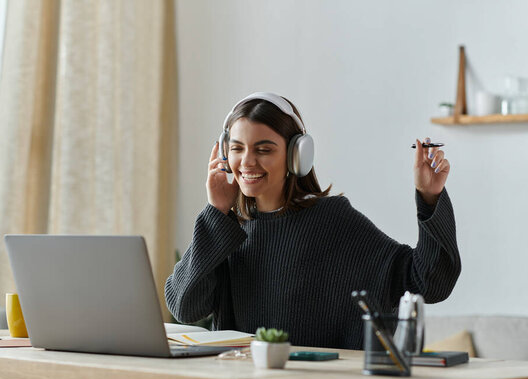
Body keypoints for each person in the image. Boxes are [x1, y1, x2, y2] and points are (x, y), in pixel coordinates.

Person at [165, 92, 461, 349]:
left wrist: (429, 196)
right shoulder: (227, 230)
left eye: (264, 149)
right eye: (237, 148)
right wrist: (217, 211)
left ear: (297, 155)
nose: (247, 162)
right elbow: (184, 306)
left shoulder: (333, 220)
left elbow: (430, 282)